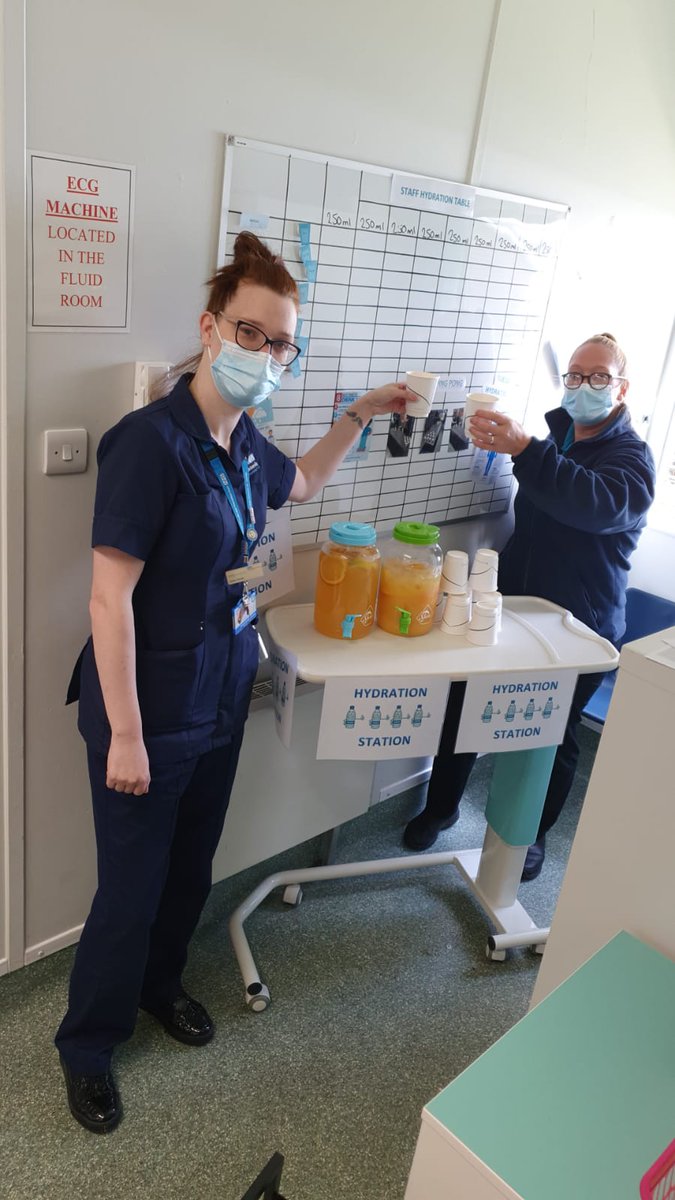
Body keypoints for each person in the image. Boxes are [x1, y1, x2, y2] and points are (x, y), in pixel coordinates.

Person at [56, 232, 414, 1134]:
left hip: (218, 694)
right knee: (129, 887)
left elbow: (301, 484)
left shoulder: (245, 441)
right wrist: (130, 736)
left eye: (280, 343)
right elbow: (108, 601)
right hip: (146, 708)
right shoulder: (147, 444)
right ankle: (88, 1045)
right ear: (211, 329)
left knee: (190, 869)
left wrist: (361, 413)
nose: (265, 355)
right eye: (250, 334)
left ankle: (159, 988)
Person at [403, 332, 656, 880]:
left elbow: (596, 505)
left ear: (622, 388)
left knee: (555, 734)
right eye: (574, 374)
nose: (583, 385)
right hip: (516, 608)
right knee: (466, 704)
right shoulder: (557, 438)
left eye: (598, 377)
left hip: (582, 626)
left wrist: (526, 450)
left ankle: (533, 837)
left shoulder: (632, 459)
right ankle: (441, 808)